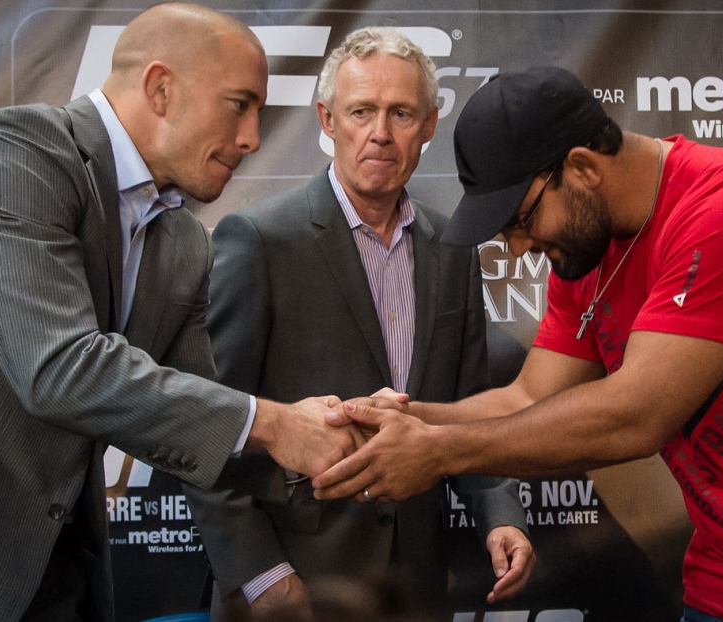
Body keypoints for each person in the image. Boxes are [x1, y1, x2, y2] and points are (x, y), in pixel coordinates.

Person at [312, 66, 723, 621]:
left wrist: (440, 452)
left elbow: (637, 415)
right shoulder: (586, 253)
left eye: (520, 221)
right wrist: (402, 420)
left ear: (581, 168)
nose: (519, 248)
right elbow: (525, 397)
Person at [0, 5, 365, 621]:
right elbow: (59, 368)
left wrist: (341, 437)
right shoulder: (14, 152)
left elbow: (195, 407)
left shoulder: (181, 239)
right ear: (161, 88)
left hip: (57, 564)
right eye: (239, 104)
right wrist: (277, 424)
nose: (252, 138)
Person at [183, 28, 534, 622]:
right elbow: (206, 422)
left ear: (429, 122)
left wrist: (500, 514)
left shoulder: (451, 247)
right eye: (361, 111)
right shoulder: (260, 240)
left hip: (416, 585)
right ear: (326, 119)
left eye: (400, 113)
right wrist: (261, 575)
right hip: (293, 586)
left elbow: (470, 403)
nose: (380, 133)